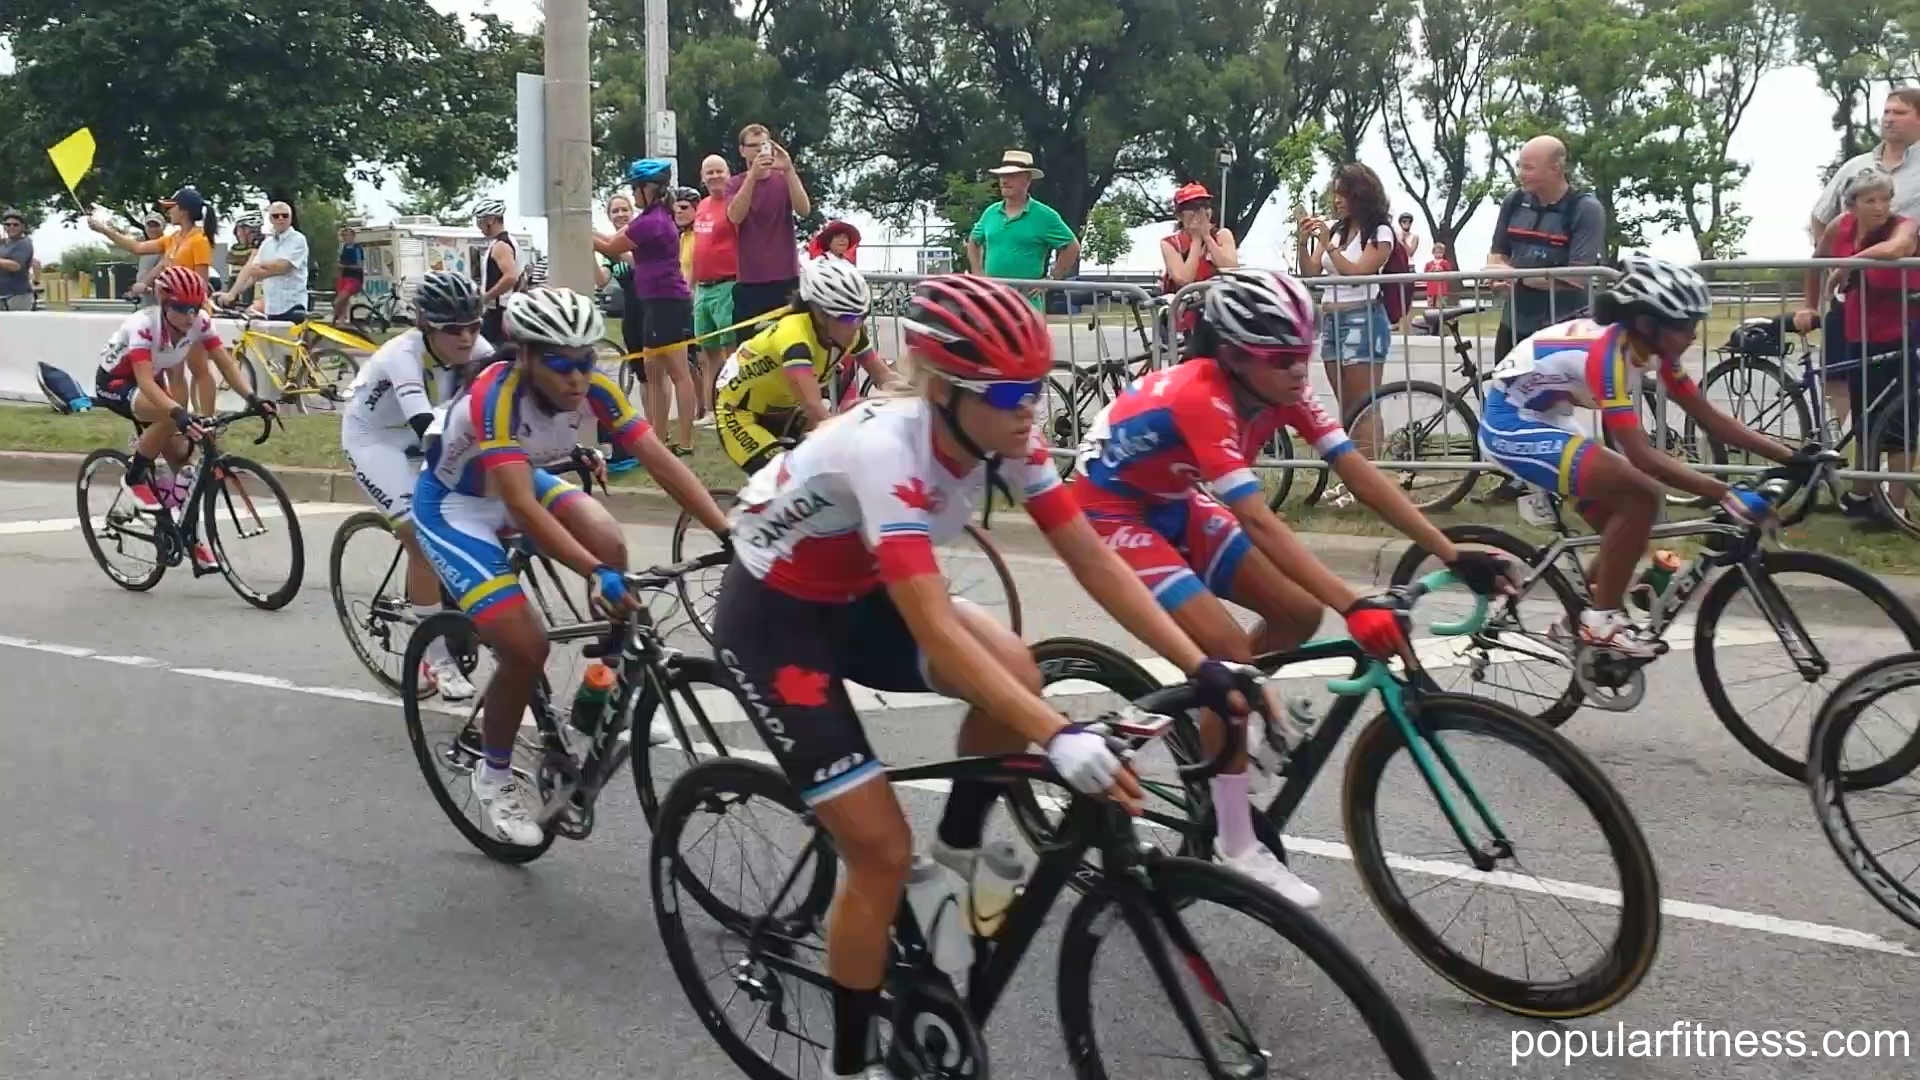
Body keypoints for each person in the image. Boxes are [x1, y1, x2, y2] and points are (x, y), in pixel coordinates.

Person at [711, 272, 1260, 1080]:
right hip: (777, 619)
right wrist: (1059, 738)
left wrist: (1201, 662)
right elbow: (934, 625)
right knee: (879, 850)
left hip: (859, 594)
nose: (1028, 409)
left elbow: (1093, 559)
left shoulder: (1006, 435)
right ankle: (853, 1060)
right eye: (1009, 393)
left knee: (1015, 667)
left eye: (1034, 389)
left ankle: (957, 876)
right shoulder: (885, 449)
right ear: (946, 391)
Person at [1066, 266, 1510, 908]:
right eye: (1283, 359)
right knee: (1226, 653)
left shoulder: (1281, 388)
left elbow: (1357, 471)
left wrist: (1450, 550)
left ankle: (1230, 722)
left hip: (1170, 496)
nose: (1301, 371)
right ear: (1234, 357)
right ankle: (1235, 842)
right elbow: (1257, 519)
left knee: (1298, 613)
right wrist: (1354, 603)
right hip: (1111, 510)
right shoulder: (1202, 394)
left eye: (1304, 353)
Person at [412, 286, 732, 846]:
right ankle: (492, 776)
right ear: (528, 355)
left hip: (517, 483)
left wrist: (727, 532)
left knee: (610, 540)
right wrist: (592, 572)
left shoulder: (595, 386)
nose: (577, 378)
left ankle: (593, 705)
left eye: (586, 362)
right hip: (457, 506)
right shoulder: (496, 394)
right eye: (561, 365)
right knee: (526, 647)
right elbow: (519, 507)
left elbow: (660, 460)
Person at [1478, 256, 1795, 654]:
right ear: (1648, 323)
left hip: (1548, 418)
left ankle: (1575, 621)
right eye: (1686, 327)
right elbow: (1642, 457)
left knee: (1626, 526)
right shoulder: (1606, 357)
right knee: (1642, 494)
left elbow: (1710, 418)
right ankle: (1602, 622)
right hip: (1511, 424)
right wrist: (1723, 493)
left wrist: (1792, 457)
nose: (1694, 337)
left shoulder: (1651, 347)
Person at [341, 272, 492, 699]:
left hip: (423, 431)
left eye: (474, 327)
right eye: (453, 330)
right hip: (377, 440)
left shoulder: (476, 348)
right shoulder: (401, 355)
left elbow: (507, 397)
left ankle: (451, 597)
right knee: (419, 536)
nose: (466, 339)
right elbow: (425, 425)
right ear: (426, 327)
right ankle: (435, 656)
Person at [92, 266, 272, 571]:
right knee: (171, 415)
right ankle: (134, 477)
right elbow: (145, 381)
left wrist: (253, 398)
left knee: (182, 459)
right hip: (117, 384)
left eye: (196, 307)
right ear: (164, 302)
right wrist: (179, 413)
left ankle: (189, 536)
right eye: (181, 308)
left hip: (152, 385)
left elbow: (225, 364)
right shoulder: (144, 325)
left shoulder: (198, 322)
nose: (190, 316)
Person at [1792, 165, 1919, 526]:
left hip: (1900, 327)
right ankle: (1863, 494)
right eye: (1870, 200)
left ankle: (1894, 506)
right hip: (1857, 331)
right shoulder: (1841, 227)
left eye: (1885, 199)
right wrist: (1809, 304)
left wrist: (1848, 264)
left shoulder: (1902, 225)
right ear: (1851, 204)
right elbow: (1817, 262)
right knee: (1865, 418)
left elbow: (1899, 249)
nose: (1880, 207)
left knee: (1899, 424)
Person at [713, 257, 899, 475]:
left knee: (826, 481)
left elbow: (885, 377)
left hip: (784, 409)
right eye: (848, 318)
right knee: (782, 480)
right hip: (740, 413)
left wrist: (920, 403)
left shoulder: (849, 333)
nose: (856, 326)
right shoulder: (794, 336)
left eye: (862, 316)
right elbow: (813, 407)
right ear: (820, 313)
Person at [593, 159, 699, 457]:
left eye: (634, 188)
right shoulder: (655, 216)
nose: (632, 194)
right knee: (652, 371)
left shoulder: (651, 221)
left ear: (648, 188)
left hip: (668, 302)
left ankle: (686, 440)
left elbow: (612, 247)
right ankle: (659, 437)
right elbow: (612, 242)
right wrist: (590, 234)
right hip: (655, 301)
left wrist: (581, 232)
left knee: (677, 371)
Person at [1296, 163, 1395, 443]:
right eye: (1335, 193)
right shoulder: (1335, 230)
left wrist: (1328, 245)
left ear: (1361, 195)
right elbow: (1311, 273)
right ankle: (1354, 479)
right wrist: (1304, 243)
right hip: (1331, 321)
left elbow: (1358, 274)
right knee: (1347, 407)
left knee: (1363, 405)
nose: (1337, 200)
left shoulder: (1380, 232)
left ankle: (1372, 473)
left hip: (1362, 319)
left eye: (1344, 193)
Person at [1485, 136, 1606, 359]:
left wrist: (1516, 277)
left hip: (1566, 328)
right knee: (1506, 390)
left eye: (1529, 168)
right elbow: (1497, 253)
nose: (1521, 174)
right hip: (1514, 323)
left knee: (1561, 394)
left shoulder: (1585, 209)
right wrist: (1498, 276)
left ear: (1555, 169)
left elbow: (1576, 277)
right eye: (1520, 166)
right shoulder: (1513, 201)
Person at [966, 149, 1080, 308]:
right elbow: (973, 240)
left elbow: (1072, 246)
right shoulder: (990, 212)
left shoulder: (1044, 215)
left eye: (1011, 176)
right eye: (1002, 176)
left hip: (1026, 303)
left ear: (1027, 180)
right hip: (993, 301)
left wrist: (1051, 280)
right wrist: (977, 273)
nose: (1004, 181)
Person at [726, 124, 811, 327]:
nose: (758, 150)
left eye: (763, 145)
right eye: (752, 146)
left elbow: (804, 209)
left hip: (786, 278)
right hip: (750, 281)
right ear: (742, 150)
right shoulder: (735, 184)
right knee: (748, 345)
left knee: (789, 341)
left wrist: (789, 169)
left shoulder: (783, 180)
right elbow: (735, 216)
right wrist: (752, 177)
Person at [89, 185, 217, 287]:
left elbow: (201, 286)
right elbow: (137, 248)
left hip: (190, 313)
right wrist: (104, 229)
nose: (169, 211)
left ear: (184, 210)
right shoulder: (173, 238)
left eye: (171, 206)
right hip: (172, 310)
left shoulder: (200, 240)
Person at [691, 154, 740, 421]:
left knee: (730, 349)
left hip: (728, 285)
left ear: (728, 173)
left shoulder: (734, 204)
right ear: (702, 177)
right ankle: (711, 410)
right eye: (709, 172)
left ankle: (732, 407)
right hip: (703, 288)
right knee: (708, 354)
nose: (714, 176)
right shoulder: (702, 206)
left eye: (719, 171)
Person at [1158, 182, 1239, 335]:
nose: (1200, 212)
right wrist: (1195, 240)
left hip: (1220, 312)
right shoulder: (1170, 243)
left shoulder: (1222, 235)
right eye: (1193, 208)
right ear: (1180, 215)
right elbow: (1184, 279)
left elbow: (1231, 269)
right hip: (1186, 315)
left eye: (1204, 206)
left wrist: (1207, 238)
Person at [218, 201, 309, 321]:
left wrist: (261, 268)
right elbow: (252, 273)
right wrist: (232, 294)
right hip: (272, 307)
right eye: (276, 216)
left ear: (291, 218)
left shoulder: (298, 239)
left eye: (285, 215)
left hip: (292, 304)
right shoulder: (267, 244)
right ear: (270, 219)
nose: (281, 218)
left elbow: (283, 267)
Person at [473, 198, 520, 346]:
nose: (479, 226)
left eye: (480, 221)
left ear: (491, 220)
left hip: (499, 312)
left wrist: (486, 297)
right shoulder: (511, 241)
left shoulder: (500, 245)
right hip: (508, 310)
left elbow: (511, 277)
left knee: (489, 353)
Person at [127, 213, 170, 305]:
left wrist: (144, 284)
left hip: (161, 302)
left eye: (156, 226)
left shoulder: (168, 246)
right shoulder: (145, 248)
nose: (152, 229)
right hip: (145, 301)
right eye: (149, 226)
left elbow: (162, 268)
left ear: (163, 227)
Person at [0, 209, 33, 312]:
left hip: (18, 296)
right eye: (8, 224)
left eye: (15, 225)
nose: (11, 227)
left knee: (18, 327)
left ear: (22, 226)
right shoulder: (3, 243)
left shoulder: (24, 244)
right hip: (2, 295)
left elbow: (15, 266)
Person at [334, 226, 367, 325]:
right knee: (344, 302)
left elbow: (359, 266)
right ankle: (341, 322)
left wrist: (344, 266)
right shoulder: (343, 248)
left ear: (353, 236)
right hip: (343, 278)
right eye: (344, 236)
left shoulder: (357, 249)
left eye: (348, 235)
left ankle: (336, 320)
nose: (345, 238)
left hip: (354, 279)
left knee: (338, 301)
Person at [1423, 241, 1456, 310]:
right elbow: (1425, 273)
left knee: (1440, 305)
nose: (1438, 254)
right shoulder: (1429, 264)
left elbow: (1449, 273)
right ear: (1433, 252)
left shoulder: (1445, 263)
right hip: (1431, 288)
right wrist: (1431, 270)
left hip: (1442, 288)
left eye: (1440, 253)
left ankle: (1440, 319)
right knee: (1430, 304)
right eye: (1437, 252)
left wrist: (1442, 270)